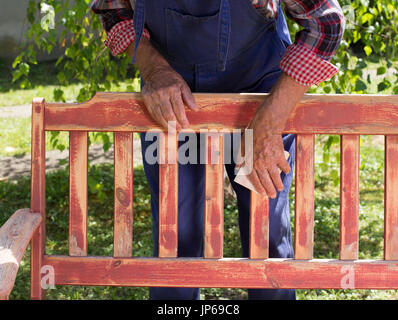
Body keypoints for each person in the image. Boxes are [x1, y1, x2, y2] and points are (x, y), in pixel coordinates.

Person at [91, 0, 345, 300]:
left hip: (259, 93)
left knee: (266, 232)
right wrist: (153, 68)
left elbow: (326, 22)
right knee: (176, 236)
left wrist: (271, 119)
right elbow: (113, 9)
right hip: (170, 96)